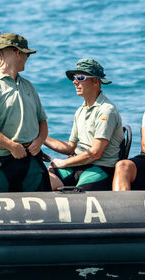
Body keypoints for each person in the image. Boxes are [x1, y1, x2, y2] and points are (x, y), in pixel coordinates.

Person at [0, 33, 50, 193]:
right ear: (18, 53)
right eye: (26, 54)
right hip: (1, 162)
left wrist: (40, 140)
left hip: (31, 161)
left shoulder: (28, 85)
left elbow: (42, 121)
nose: (27, 59)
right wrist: (11, 146)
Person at [44, 59, 124, 191]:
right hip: (78, 164)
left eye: (80, 78)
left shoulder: (106, 110)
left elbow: (95, 153)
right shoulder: (80, 111)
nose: (75, 82)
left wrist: (63, 163)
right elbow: (70, 148)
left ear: (96, 81)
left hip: (101, 168)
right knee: (43, 181)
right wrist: (41, 138)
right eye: (75, 78)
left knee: (79, 195)